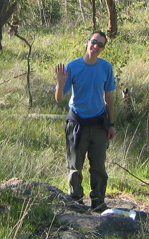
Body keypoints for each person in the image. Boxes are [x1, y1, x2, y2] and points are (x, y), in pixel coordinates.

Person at [55, 30, 117, 212]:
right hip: (77, 123)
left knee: (98, 167)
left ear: (103, 49)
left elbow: (109, 98)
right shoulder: (73, 67)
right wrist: (60, 83)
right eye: (94, 42)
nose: (96, 47)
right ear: (87, 42)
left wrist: (111, 124)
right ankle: (75, 202)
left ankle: (98, 202)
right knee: (75, 166)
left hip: (98, 123)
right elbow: (59, 99)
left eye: (100, 45)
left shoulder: (106, 67)